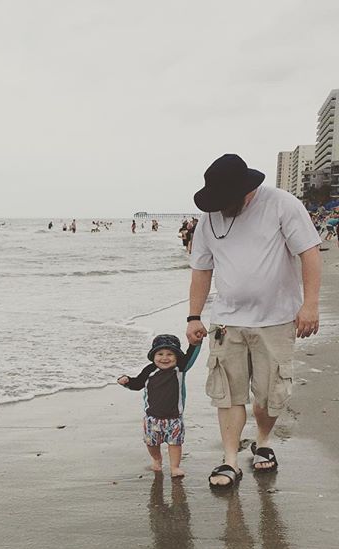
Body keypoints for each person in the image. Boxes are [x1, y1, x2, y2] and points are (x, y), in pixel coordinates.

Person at [187, 154, 321, 489]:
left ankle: (263, 440)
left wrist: (310, 305)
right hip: (227, 322)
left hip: (275, 320)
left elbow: (309, 252)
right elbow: (202, 269)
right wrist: (193, 316)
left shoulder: (281, 204)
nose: (221, 207)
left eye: (226, 200)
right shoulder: (209, 217)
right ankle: (230, 460)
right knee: (228, 394)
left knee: (268, 395)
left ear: (247, 191)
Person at [117, 334, 201, 478]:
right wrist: (127, 381)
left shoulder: (180, 369)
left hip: (174, 418)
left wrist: (196, 343)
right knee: (151, 443)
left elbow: (191, 355)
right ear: (153, 355)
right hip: (152, 418)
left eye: (170, 354)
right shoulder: (149, 370)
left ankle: (174, 467)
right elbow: (137, 384)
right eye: (160, 354)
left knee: (175, 444)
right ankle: (157, 460)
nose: (165, 358)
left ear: (177, 357)